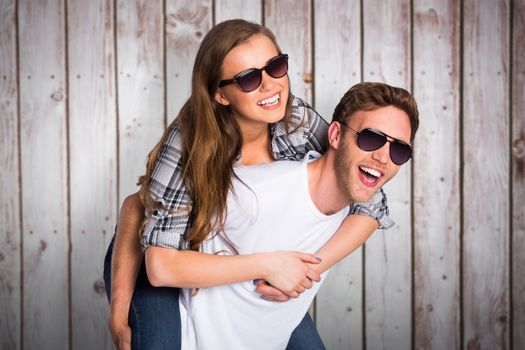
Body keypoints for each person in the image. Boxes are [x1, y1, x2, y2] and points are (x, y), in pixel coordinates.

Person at [104, 19, 392, 350]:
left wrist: (306, 269)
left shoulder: (296, 121)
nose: (270, 85)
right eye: (249, 78)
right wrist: (117, 314)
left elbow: (369, 199)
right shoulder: (188, 141)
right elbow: (140, 217)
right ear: (220, 94)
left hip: (248, 274)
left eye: (276, 66)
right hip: (165, 264)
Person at [172, 81, 419, 349]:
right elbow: (151, 224)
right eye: (371, 138)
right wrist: (265, 265)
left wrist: (307, 270)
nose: (383, 157)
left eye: (399, 150)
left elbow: (374, 208)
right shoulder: (256, 192)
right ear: (335, 135)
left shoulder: (353, 211)